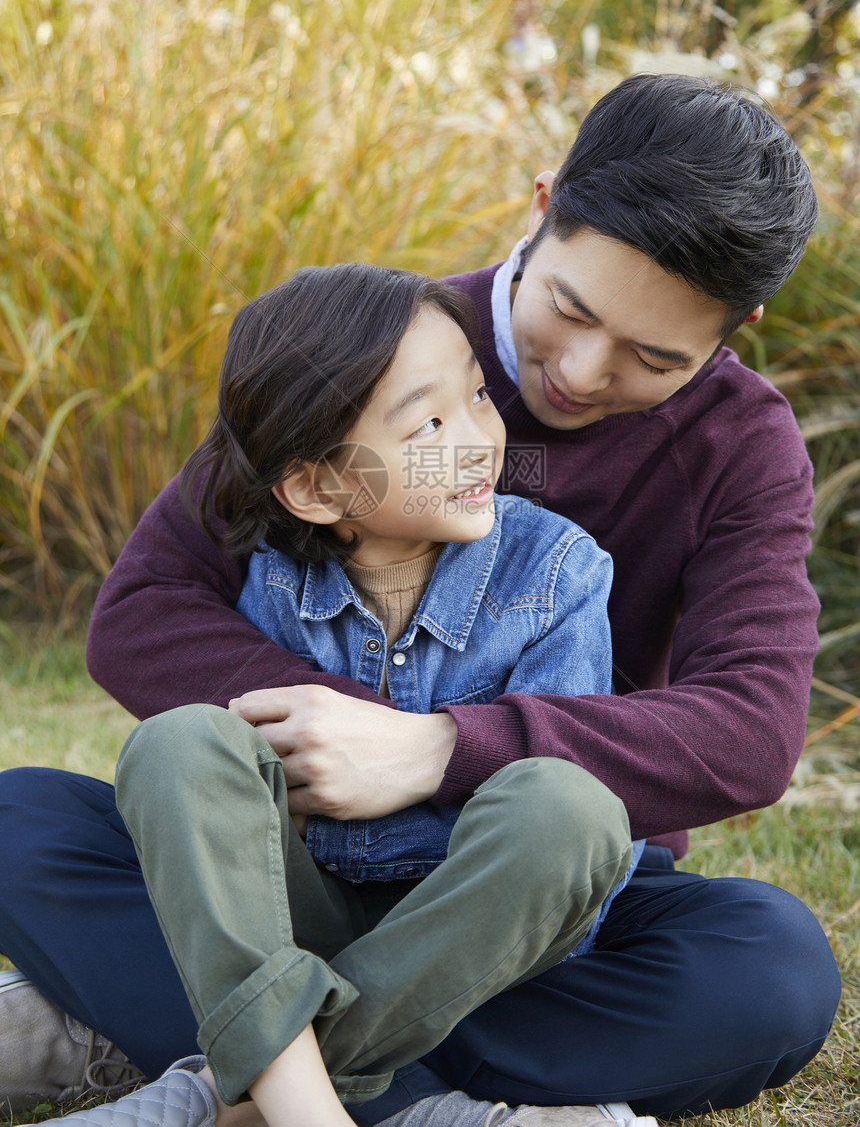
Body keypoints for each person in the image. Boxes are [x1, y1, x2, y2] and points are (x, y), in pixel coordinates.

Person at [0, 74, 842, 1123]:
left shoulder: (740, 446)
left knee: (769, 976)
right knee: (22, 820)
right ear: (541, 206)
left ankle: (243, 1064)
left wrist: (436, 747)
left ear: (735, 329)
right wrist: (331, 733)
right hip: (297, 864)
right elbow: (144, 610)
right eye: (567, 309)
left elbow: (749, 732)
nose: (578, 372)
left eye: (651, 357)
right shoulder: (376, 347)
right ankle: (410, 1094)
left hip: (531, 889)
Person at [18, 262, 650, 1127]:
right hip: (294, 909)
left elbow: (563, 845)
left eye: (477, 396)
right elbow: (230, 795)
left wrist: (418, 762)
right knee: (175, 745)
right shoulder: (271, 580)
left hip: (472, 927)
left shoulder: (558, 570)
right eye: (428, 423)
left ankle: (234, 1097)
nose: (476, 441)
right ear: (316, 489)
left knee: (570, 803)